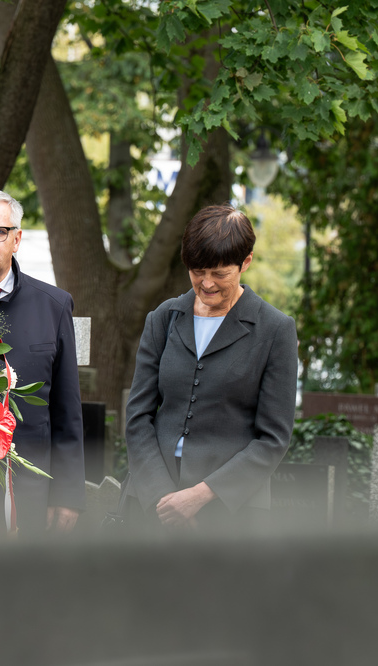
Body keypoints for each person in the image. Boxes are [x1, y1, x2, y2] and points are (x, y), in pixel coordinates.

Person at [124, 204, 297, 532]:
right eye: (197, 271)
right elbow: (138, 418)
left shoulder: (275, 329)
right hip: (151, 503)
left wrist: (200, 496)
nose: (206, 284)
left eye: (219, 273)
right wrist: (164, 498)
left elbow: (273, 438)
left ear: (245, 262)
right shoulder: (164, 318)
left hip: (230, 512)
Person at [0, 189, 85, 534]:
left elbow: (66, 408)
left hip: (30, 489)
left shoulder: (54, 306)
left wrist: (67, 494)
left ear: (17, 239)